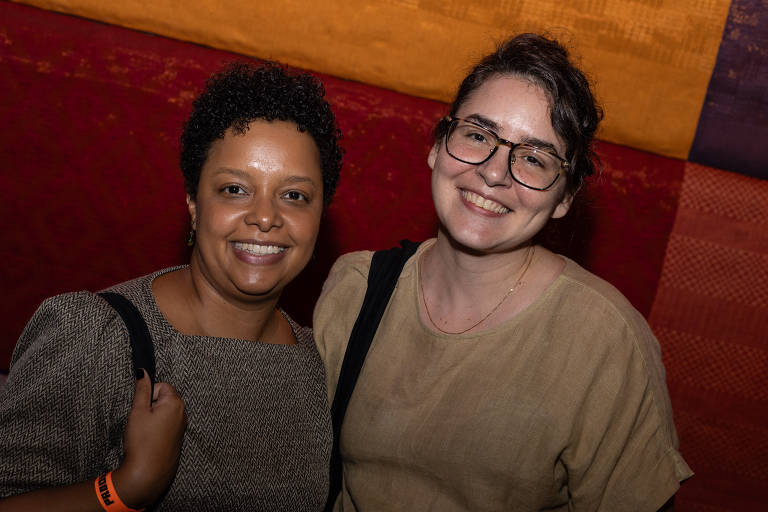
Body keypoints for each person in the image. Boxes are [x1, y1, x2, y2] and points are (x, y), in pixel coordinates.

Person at [314, 33, 693, 511]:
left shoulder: (605, 341)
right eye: (477, 135)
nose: (495, 172)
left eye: (534, 159)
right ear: (437, 146)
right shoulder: (357, 287)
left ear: (565, 198)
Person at [0, 61, 342, 511]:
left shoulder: (326, 369)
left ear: (318, 218)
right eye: (235, 189)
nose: (265, 216)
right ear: (194, 206)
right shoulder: (93, 334)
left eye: (294, 195)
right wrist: (125, 489)